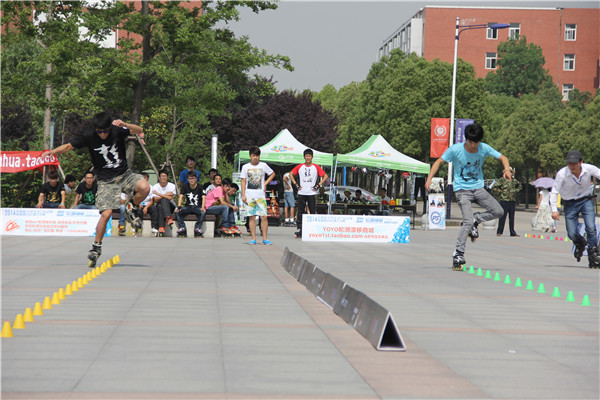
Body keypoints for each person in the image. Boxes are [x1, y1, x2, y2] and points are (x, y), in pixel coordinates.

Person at [41, 111, 149, 267]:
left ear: (109, 127)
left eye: (106, 131)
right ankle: (96, 247)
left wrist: (125, 124)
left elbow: (139, 130)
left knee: (144, 187)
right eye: (100, 132)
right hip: (106, 181)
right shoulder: (89, 135)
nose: (103, 134)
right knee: (106, 214)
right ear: (95, 129)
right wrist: (53, 152)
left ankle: (131, 207)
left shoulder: (117, 130)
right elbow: (69, 146)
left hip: (125, 175)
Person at [425, 122, 511, 270]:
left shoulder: (484, 148)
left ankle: (477, 219)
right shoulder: (455, 150)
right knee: (467, 221)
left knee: (499, 211)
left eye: (477, 143)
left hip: (478, 188)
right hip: (462, 190)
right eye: (472, 143)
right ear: (467, 140)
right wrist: (429, 179)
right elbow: (439, 162)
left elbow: (503, 158)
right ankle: (458, 253)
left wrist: (507, 169)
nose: (474, 146)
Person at [550, 150, 600, 268]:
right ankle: (579, 242)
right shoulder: (562, 174)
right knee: (572, 233)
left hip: (586, 200)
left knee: (591, 227)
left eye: (574, 164)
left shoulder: (589, 169)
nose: (572, 166)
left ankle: (593, 252)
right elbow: (554, 191)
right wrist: (554, 210)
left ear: (580, 162)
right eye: (569, 164)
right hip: (570, 203)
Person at [290, 148, 328, 238]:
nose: (308, 158)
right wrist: (296, 184)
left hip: (312, 193)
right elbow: (291, 174)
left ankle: (312, 228)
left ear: (312, 157)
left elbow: (325, 176)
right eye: (306, 156)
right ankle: (300, 229)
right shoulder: (300, 166)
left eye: (309, 156)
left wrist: (318, 185)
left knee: (312, 210)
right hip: (302, 192)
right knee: (300, 211)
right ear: (304, 157)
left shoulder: (316, 167)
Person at [240, 146, 275, 244]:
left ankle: (265, 238)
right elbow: (243, 181)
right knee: (251, 217)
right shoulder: (245, 167)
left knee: (263, 217)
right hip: (249, 195)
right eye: (253, 155)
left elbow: (272, 174)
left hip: (260, 196)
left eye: (257, 156)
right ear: (250, 156)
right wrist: (243, 194)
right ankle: (253, 238)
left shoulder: (263, 165)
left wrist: (265, 183)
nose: (255, 158)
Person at [175, 170, 206, 238]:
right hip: (188, 207)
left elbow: (203, 197)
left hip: (197, 207)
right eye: (190, 178)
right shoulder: (185, 186)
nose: (191, 180)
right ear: (187, 179)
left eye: (193, 178)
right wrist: (179, 206)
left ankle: (197, 227)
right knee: (177, 212)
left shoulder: (200, 187)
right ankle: (182, 227)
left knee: (202, 213)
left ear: (196, 179)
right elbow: (181, 196)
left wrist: (203, 207)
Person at [492, 168, 522, 237]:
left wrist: (515, 190)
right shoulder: (502, 180)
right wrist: (501, 192)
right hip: (504, 200)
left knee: (512, 218)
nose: (509, 173)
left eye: (510, 172)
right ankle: (499, 232)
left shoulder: (514, 181)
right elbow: (494, 187)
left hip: (512, 201)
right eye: (508, 172)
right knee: (502, 217)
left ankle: (512, 232)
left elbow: (520, 186)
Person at [150, 169, 176, 236]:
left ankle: (161, 226)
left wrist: (158, 194)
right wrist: (166, 195)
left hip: (170, 206)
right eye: (162, 176)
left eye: (165, 176)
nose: (163, 178)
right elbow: (156, 200)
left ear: (167, 177)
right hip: (159, 206)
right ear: (159, 178)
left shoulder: (172, 185)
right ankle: (167, 220)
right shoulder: (155, 186)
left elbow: (170, 198)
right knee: (160, 204)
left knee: (164, 200)